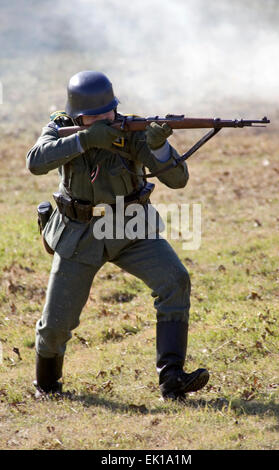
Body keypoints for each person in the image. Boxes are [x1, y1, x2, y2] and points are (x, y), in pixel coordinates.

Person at [26, 70, 209, 401]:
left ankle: (172, 378)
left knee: (175, 280)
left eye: (108, 111)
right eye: (93, 116)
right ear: (77, 115)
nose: (104, 119)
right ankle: (48, 387)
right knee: (56, 324)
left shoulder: (134, 131)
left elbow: (179, 180)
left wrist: (160, 147)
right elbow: (35, 162)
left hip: (130, 227)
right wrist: (84, 140)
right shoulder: (58, 127)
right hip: (79, 233)